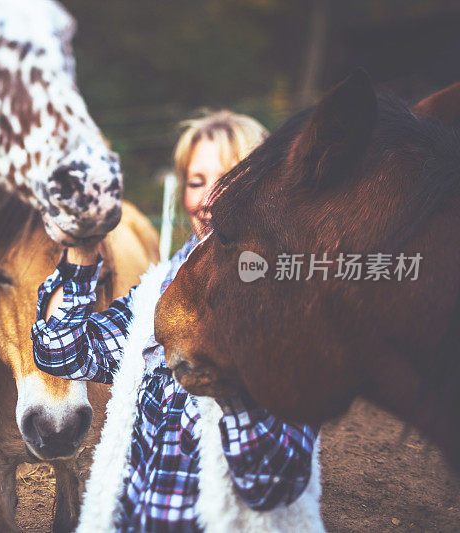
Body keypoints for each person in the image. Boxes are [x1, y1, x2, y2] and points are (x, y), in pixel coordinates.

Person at [31, 111, 322, 531]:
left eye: (228, 179)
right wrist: (83, 246)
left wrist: (220, 360)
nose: (207, 201)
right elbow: (62, 352)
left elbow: (272, 483)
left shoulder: (292, 300)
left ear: (263, 187)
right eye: (196, 181)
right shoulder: (160, 290)